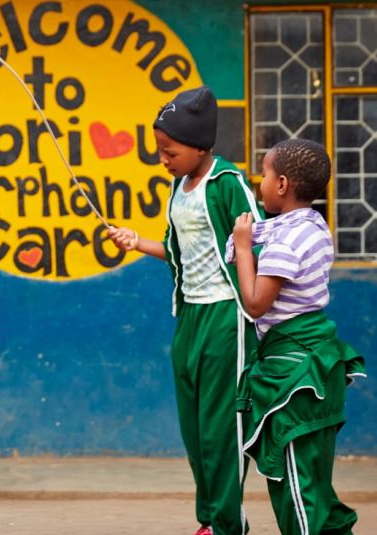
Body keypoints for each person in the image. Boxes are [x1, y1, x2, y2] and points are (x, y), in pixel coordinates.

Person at [108, 86, 263, 535]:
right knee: (195, 431)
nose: (163, 159)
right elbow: (179, 251)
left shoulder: (227, 183)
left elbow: (263, 242)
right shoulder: (180, 186)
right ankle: (210, 519)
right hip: (190, 315)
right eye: (160, 151)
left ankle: (227, 525)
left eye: (169, 151)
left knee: (220, 429)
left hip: (225, 316)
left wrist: (257, 303)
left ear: (199, 146)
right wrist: (137, 242)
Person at [228, 139, 365, 535]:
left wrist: (241, 246)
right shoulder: (314, 227)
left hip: (295, 377)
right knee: (316, 487)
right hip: (317, 364)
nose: (260, 183)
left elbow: (255, 304)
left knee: (298, 493)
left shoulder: (283, 242)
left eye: (265, 175)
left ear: (283, 183)